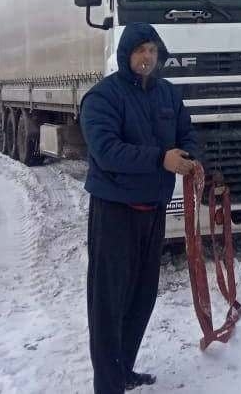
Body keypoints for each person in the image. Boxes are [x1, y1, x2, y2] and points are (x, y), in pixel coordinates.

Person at [80, 23, 200, 393]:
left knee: (141, 295)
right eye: (139, 51)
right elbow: (106, 152)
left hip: (153, 209)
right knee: (109, 301)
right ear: (125, 55)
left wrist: (193, 158)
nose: (147, 57)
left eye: (152, 50)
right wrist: (160, 160)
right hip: (115, 210)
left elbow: (188, 134)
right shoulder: (102, 98)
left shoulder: (168, 95)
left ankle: (124, 369)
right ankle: (108, 384)